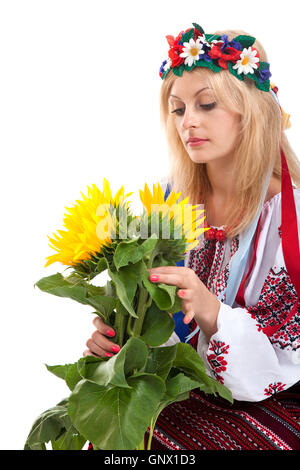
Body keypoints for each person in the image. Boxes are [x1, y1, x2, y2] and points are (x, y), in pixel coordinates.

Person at [83, 24, 300, 450]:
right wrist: (121, 339)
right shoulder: (169, 202)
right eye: (178, 109)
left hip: (273, 399)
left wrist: (210, 310)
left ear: (251, 110)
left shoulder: (289, 217)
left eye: (206, 104)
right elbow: (157, 323)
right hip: (183, 387)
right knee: (110, 437)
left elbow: (285, 357)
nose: (189, 122)